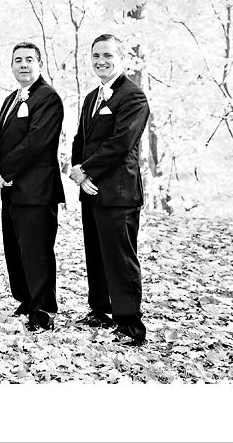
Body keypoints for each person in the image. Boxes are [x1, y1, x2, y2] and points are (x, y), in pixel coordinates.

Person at [70, 33, 150, 346]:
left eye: (108, 55)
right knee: (97, 253)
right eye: (96, 56)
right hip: (89, 189)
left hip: (118, 192)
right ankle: (100, 310)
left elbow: (121, 144)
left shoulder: (132, 96)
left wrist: (86, 170)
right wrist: (78, 174)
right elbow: (81, 139)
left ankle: (130, 324)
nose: (101, 61)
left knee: (119, 258)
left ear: (122, 59)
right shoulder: (92, 97)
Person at [0, 42, 64, 332]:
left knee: (37, 250)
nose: (23, 65)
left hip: (36, 190)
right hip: (10, 188)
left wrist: (5, 169)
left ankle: (43, 310)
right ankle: (27, 299)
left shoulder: (48, 98)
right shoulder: (11, 98)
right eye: (17, 60)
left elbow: (36, 142)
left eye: (29, 60)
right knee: (16, 249)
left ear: (39, 64)